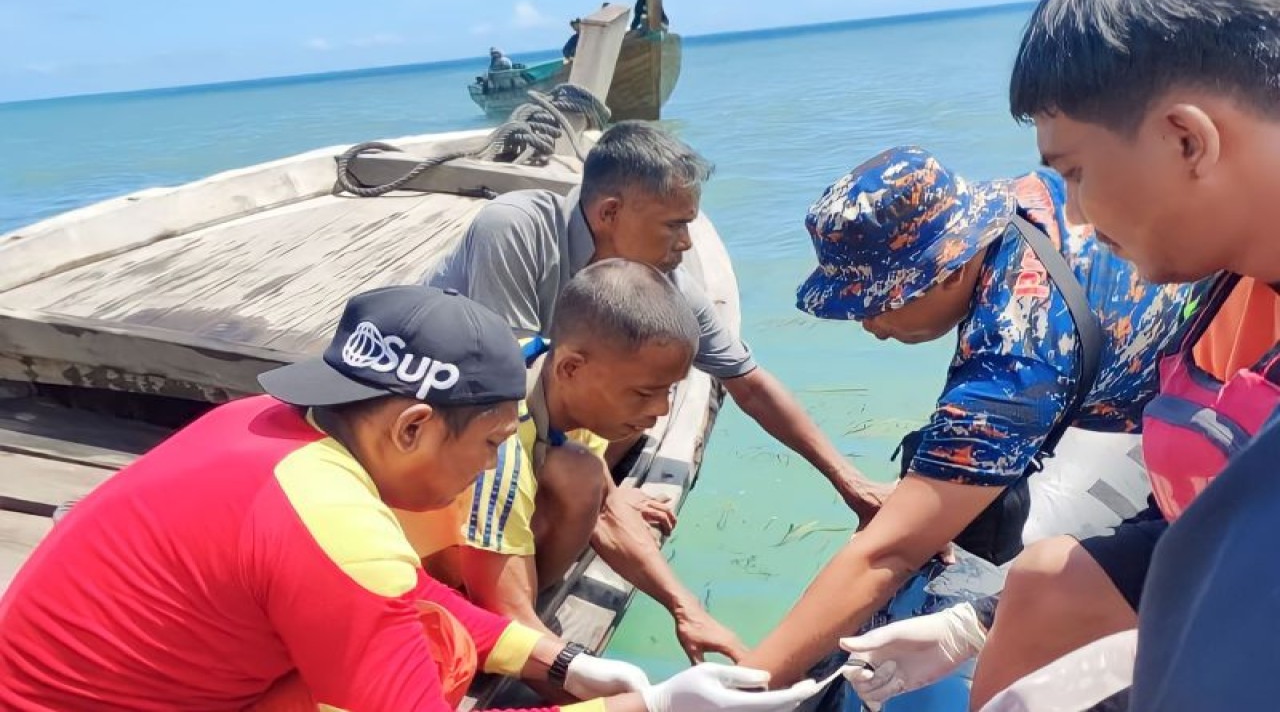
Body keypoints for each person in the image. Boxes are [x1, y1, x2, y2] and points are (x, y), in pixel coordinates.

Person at [0, 285, 817, 712]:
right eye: (495, 446)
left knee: (431, 632)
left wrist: (569, 666)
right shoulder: (331, 519)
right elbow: (373, 585)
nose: (492, 468)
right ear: (414, 426)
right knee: (430, 651)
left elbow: (400, 593)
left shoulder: (265, 422)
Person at [737, 145, 1197, 687]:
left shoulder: (1016, 354)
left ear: (945, 271)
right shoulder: (1022, 199)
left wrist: (748, 683)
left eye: (876, 302)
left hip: (1194, 423)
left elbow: (889, 552)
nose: (868, 326)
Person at [1002, 0, 1280, 709]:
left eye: (1074, 174)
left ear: (1188, 140)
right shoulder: (1227, 290)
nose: (1075, 216)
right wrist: (971, 623)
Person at [427, 120, 892, 521]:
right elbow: (511, 383)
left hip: (531, 419)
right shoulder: (514, 229)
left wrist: (849, 481)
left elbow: (748, 383)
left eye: (690, 225)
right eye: (674, 225)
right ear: (610, 212)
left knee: (639, 402)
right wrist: (607, 497)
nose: (687, 243)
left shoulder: (663, 283)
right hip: (441, 401)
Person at [422, 259, 746, 663]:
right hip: (411, 573)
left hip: (483, 514)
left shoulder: (544, 365)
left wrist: (687, 609)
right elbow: (512, 626)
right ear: (571, 367)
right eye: (644, 393)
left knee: (583, 472)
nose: (661, 410)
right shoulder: (497, 444)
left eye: (668, 392)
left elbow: (609, 511)